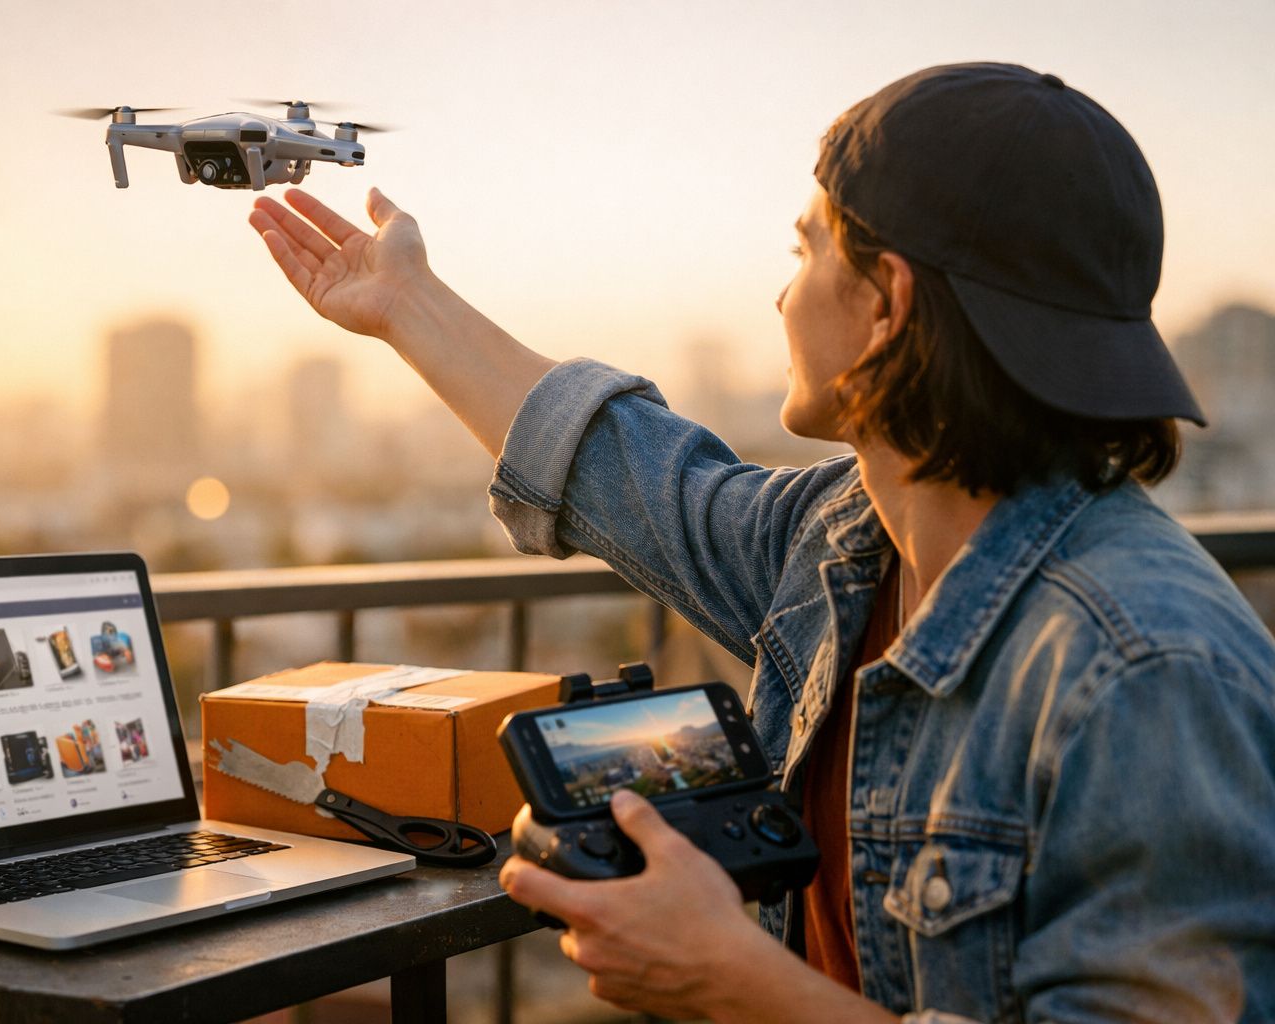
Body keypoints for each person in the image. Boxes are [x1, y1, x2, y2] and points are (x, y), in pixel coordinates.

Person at [248, 63, 1275, 1023]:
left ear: (887, 302)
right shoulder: (845, 543)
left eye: (805, 251)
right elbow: (627, 473)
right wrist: (406, 303)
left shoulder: (1150, 673)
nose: (783, 296)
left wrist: (733, 982)